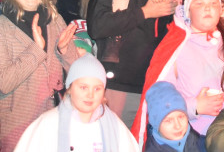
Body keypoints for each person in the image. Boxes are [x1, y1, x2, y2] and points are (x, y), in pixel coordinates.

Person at [135, 0, 224, 140]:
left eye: (213, 3)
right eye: (199, 3)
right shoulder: (176, 48)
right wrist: (195, 107)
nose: (207, 8)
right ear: (188, 11)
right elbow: (160, 101)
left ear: (220, 10)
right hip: (196, 137)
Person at [0, 0, 82, 150]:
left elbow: (76, 71)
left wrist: (65, 51)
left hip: (54, 117)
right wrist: (37, 50)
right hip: (17, 121)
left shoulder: (55, 19)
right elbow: (4, 82)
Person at [87, 0, 176, 124]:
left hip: (149, 83)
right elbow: (97, 26)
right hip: (116, 83)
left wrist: (167, 11)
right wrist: (145, 12)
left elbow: (163, 35)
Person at [12, 54, 141, 152]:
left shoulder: (115, 127)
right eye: (83, 87)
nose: (90, 95)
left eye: (97, 89)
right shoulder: (48, 124)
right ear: (70, 88)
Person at [142, 81, 209, 152]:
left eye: (181, 117)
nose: (178, 126)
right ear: (156, 124)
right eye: (168, 121)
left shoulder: (196, 140)